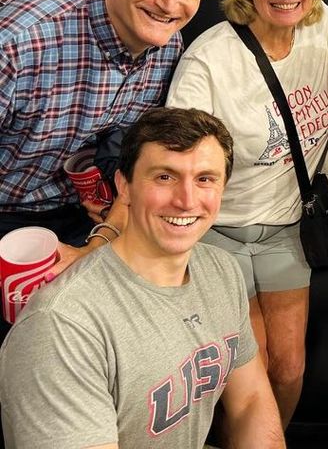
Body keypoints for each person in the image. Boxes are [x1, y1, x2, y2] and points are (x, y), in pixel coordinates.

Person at [0, 107, 285, 448]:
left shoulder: (221, 270)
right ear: (125, 186)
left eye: (205, 179)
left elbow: (251, 400)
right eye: (165, 177)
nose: (186, 200)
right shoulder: (60, 324)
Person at [166, 0, 328, 429]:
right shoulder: (210, 59)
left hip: (287, 230)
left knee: (289, 370)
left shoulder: (324, 29)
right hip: (218, 236)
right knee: (250, 372)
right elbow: (181, 154)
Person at [0, 0, 211, 282]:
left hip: (76, 211)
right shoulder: (19, 41)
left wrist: (108, 229)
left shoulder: (167, 44)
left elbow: (127, 147)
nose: (168, 3)